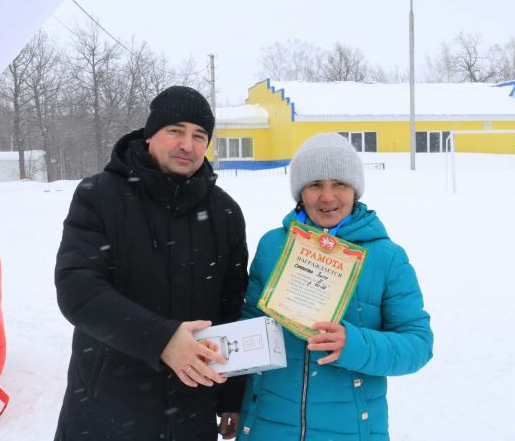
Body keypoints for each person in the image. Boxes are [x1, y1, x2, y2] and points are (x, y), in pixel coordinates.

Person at [54, 86, 249, 441]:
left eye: (199, 135)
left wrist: (231, 397)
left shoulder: (225, 213)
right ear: (149, 135)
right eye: (175, 131)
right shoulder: (99, 195)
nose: (187, 145)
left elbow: (231, 308)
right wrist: (161, 339)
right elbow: (78, 290)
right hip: (105, 410)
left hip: (191, 412)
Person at [237, 132, 433, 440]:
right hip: (269, 425)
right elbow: (249, 325)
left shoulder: (387, 257)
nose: (327, 197)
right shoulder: (274, 246)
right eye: (315, 184)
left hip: (350, 430)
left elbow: (418, 345)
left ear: (354, 189)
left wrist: (352, 344)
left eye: (339, 184)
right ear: (300, 192)